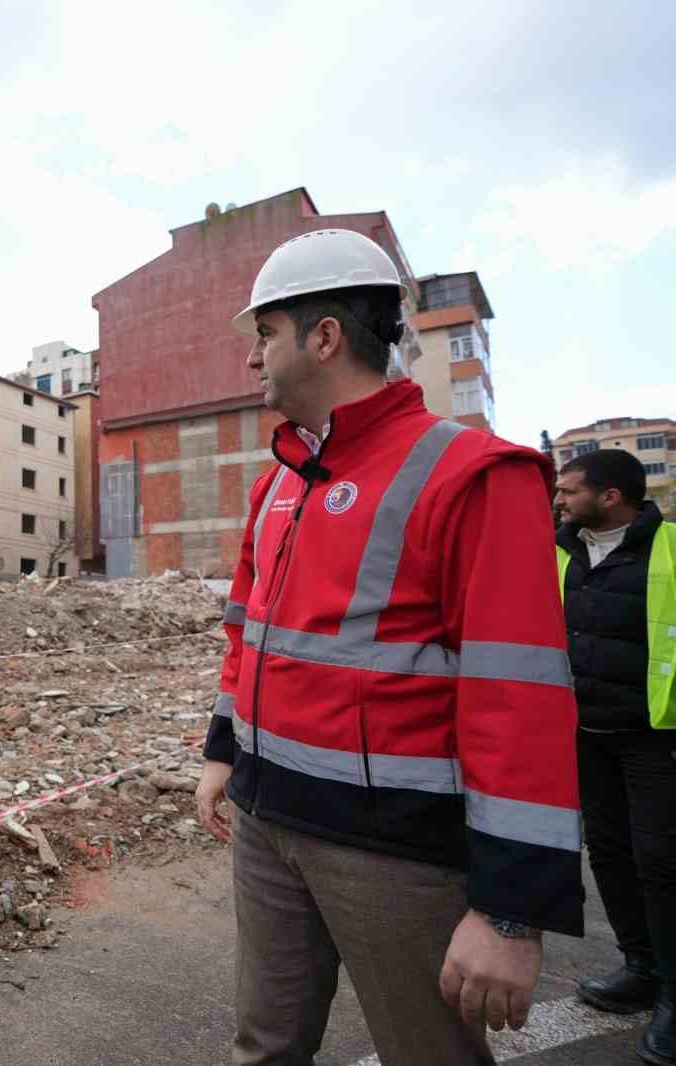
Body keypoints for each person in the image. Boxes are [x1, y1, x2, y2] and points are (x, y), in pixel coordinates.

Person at [193, 228, 583, 1066]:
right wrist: (224, 751)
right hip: (267, 823)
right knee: (262, 1049)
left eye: (266, 334)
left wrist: (510, 911)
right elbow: (248, 638)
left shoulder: (473, 475)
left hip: (394, 853)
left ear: (324, 336)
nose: (254, 360)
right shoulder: (278, 484)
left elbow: (520, 702)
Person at [554, 449, 676, 1064]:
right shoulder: (560, 551)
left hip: (658, 736)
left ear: (610, 497)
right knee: (608, 852)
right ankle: (641, 968)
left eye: (570, 490)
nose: (560, 499)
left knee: (662, 861)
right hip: (586, 733)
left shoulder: (671, 548)